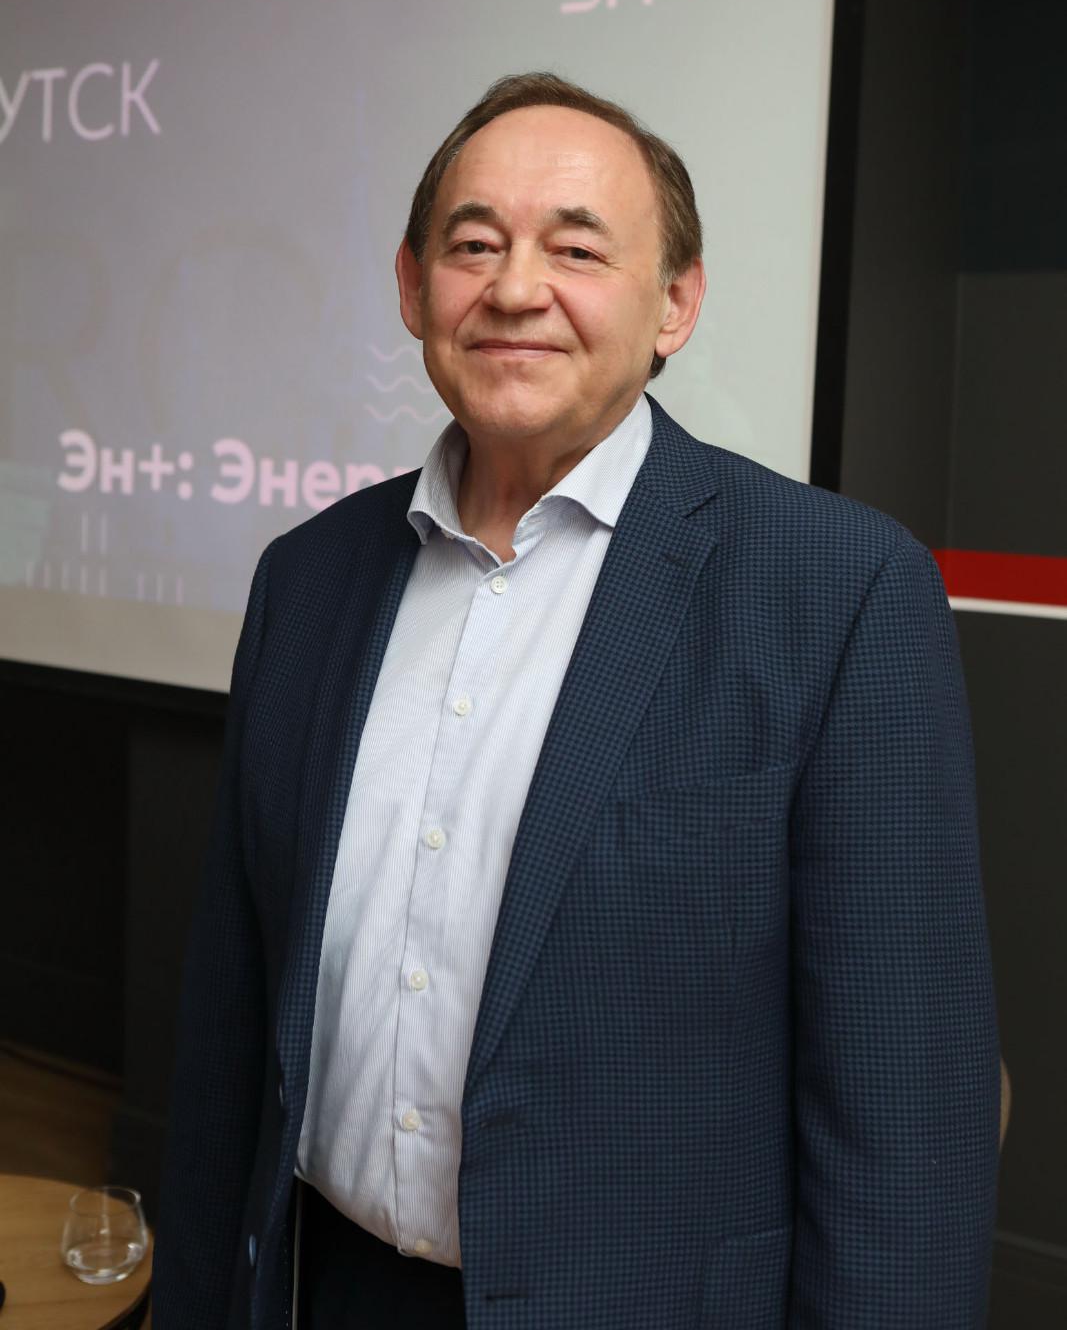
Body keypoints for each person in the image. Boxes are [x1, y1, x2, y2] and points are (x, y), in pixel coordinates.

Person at [154, 73, 1001, 1329]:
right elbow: (229, 1025)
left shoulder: (836, 590)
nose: (513, 288)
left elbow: (901, 1106)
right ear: (411, 288)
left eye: (576, 248)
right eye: (472, 245)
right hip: (326, 1288)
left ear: (675, 304)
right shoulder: (307, 578)